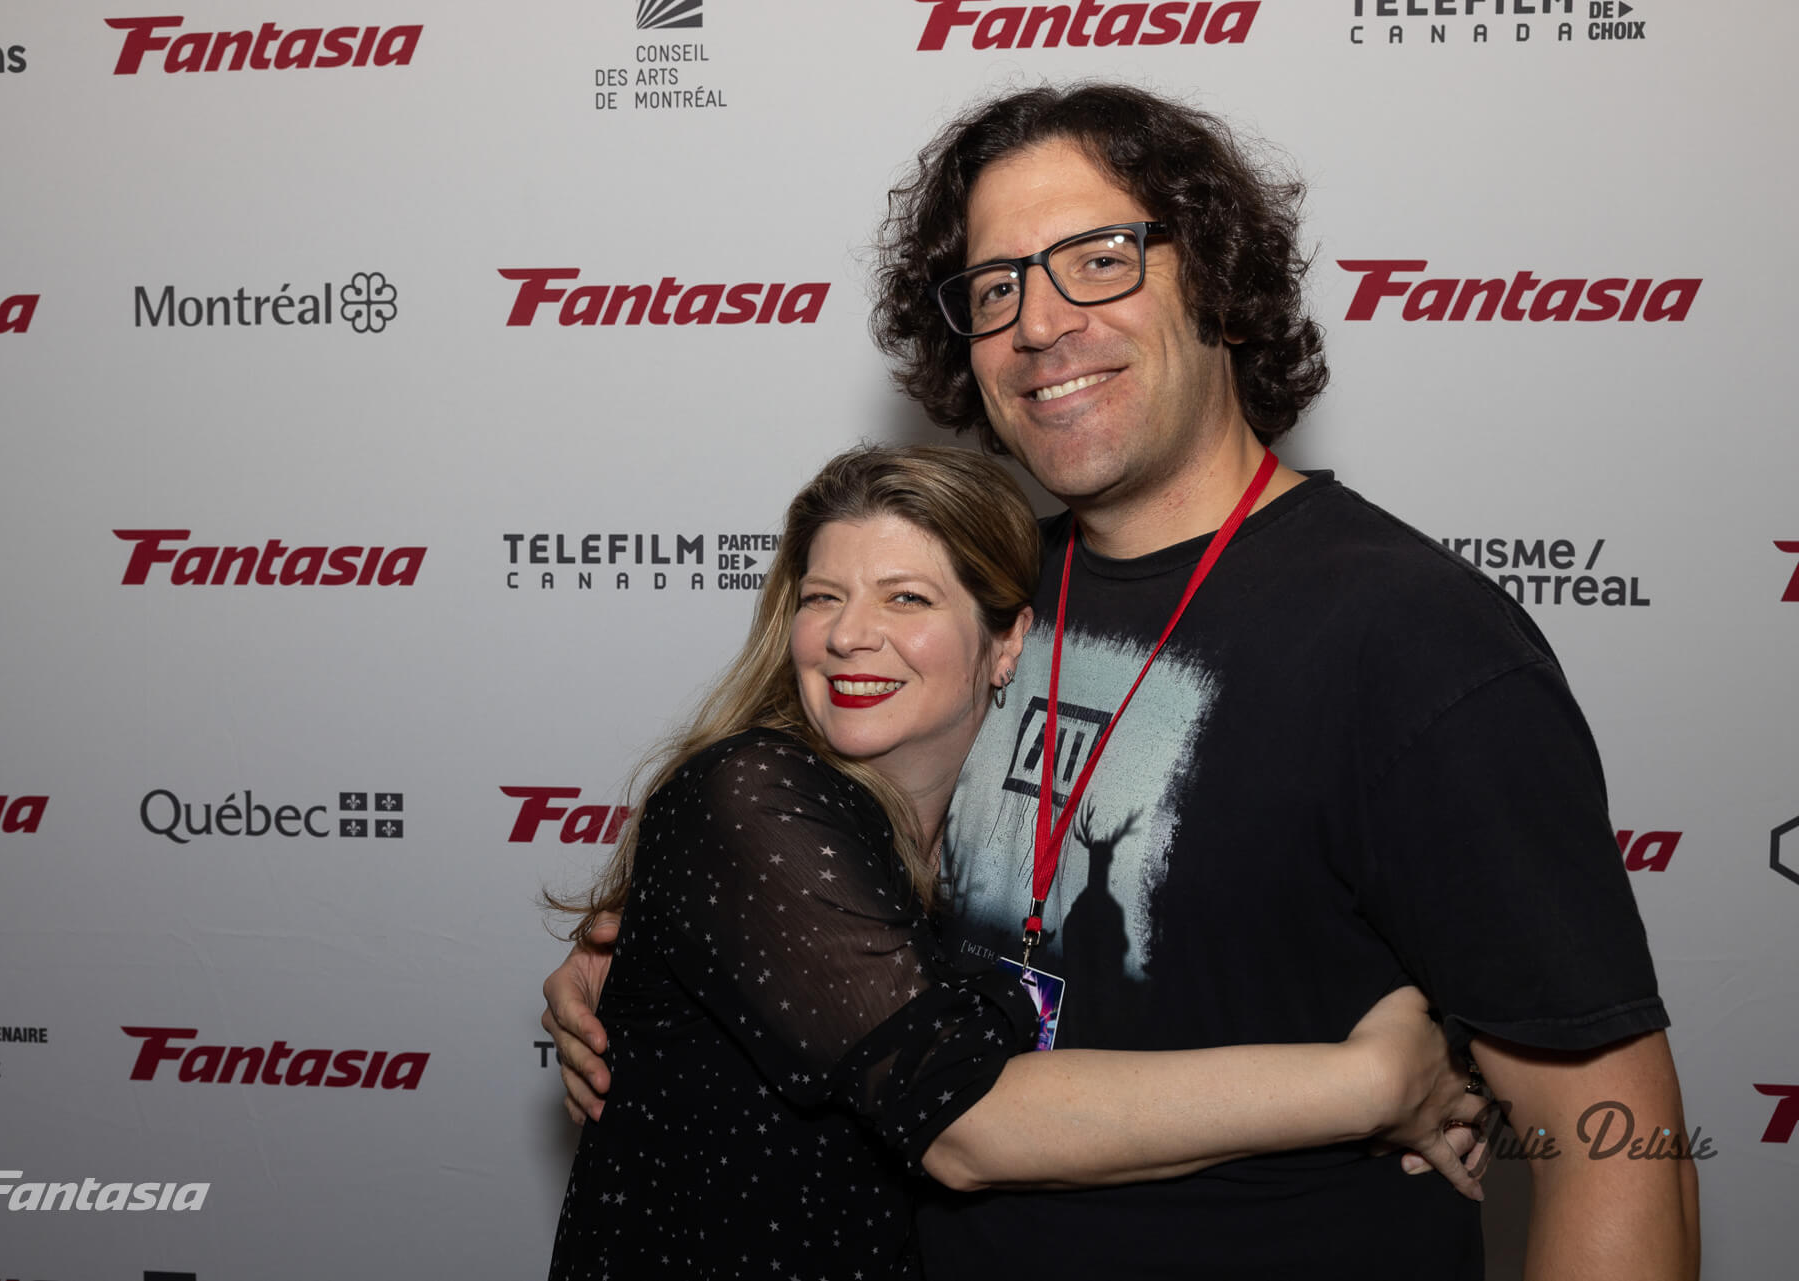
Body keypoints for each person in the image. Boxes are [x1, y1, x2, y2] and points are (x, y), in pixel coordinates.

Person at [548, 85, 1700, 1278]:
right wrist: (628, 964)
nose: (1039, 325)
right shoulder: (980, 597)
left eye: (1099, 260)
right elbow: (787, 851)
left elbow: (1611, 1140)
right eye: (996, 289)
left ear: (1216, 280)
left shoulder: (1414, 640)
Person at [546, 445, 1486, 1280]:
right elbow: (968, 1125)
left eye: (905, 598)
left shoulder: (971, 823)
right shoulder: (755, 792)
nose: (846, 633)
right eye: (822, 596)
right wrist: (1374, 1083)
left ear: (1007, 643)